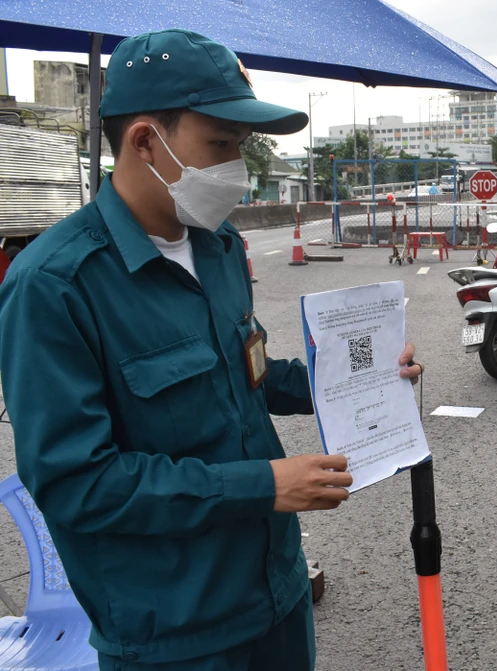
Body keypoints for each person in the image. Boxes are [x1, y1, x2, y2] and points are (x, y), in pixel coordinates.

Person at [0, 29, 423, 671]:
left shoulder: (219, 247)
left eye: (242, 147)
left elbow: (245, 371)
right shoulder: (54, 285)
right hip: (173, 633)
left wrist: (356, 378)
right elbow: (76, 482)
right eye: (221, 145)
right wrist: (262, 486)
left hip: (277, 596)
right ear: (146, 140)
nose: (238, 169)